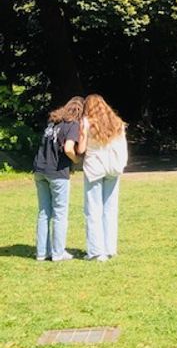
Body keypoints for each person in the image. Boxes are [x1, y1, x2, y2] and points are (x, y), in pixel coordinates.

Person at [32, 96, 84, 262]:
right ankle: (58, 252)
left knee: (44, 212)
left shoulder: (52, 122)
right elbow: (69, 148)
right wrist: (76, 160)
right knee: (60, 213)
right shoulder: (73, 124)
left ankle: (41, 253)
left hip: (40, 169)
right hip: (57, 171)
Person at [77, 94, 128, 261]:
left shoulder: (86, 122)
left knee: (93, 210)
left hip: (94, 168)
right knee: (110, 209)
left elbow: (82, 149)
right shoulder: (117, 123)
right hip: (113, 167)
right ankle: (110, 248)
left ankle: (96, 251)